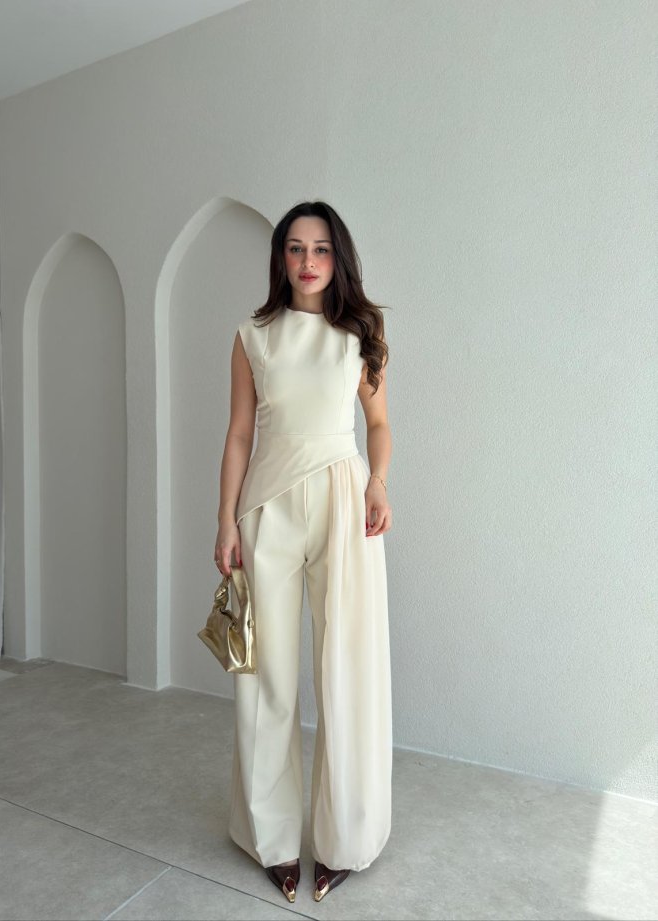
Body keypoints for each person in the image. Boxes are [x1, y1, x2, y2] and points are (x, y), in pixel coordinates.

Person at [214, 200, 393, 904]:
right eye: (294, 248)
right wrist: (225, 521)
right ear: (280, 258)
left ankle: (347, 836)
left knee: (349, 666)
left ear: (336, 256)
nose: (308, 260)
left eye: (320, 248)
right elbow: (238, 434)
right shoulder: (251, 336)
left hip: (345, 501)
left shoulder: (360, 334)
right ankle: (273, 838)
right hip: (267, 507)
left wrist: (378, 481)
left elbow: (377, 423)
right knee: (265, 675)